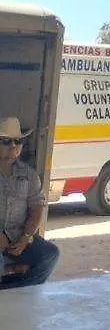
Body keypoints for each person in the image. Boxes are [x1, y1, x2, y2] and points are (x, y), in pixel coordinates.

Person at [0, 117, 59, 290]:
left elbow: (36, 207)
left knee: (50, 254)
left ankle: (15, 288)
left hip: (17, 236)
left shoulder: (29, 175)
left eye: (18, 141)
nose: (13, 146)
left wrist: (26, 237)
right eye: (6, 141)